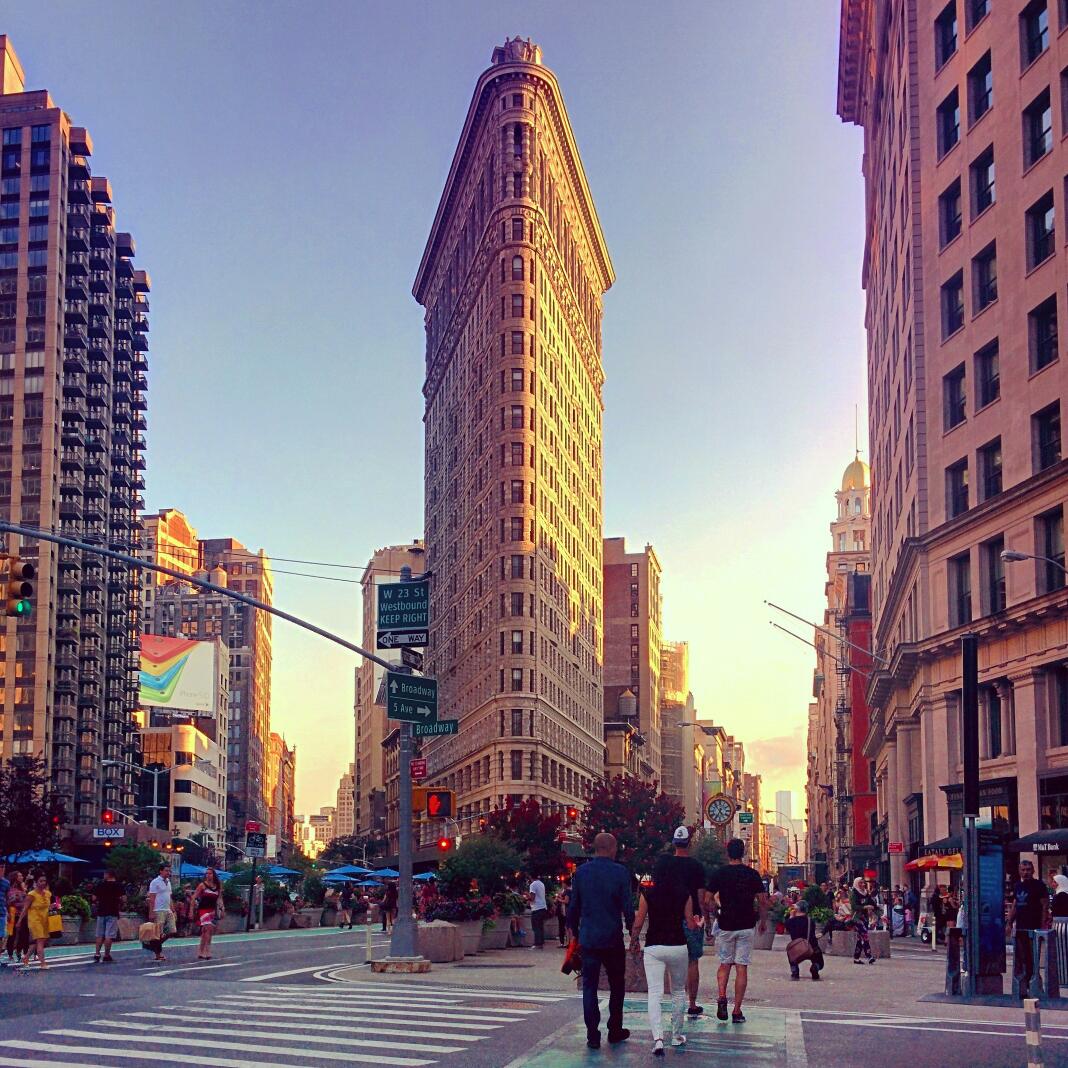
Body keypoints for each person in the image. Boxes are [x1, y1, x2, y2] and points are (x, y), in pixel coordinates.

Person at [566, 831, 634, 1050]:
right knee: (617, 985)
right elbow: (628, 907)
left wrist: (573, 933)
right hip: (612, 938)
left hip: (589, 939)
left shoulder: (581, 873)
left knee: (589, 987)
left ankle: (592, 1035)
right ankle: (615, 1029)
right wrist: (634, 933)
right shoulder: (620, 873)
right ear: (611, 848)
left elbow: (573, 906)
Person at [630, 863, 693, 1055]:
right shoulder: (684, 894)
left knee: (655, 993)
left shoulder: (647, 894)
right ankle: (676, 1035)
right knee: (678, 991)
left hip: (654, 947)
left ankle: (658, 1039)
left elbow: (638, 922)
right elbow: (690, 923)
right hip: (678, 946)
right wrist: (697, 924)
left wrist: (634, 941)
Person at [706, 838, 768, 1024]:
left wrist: (715, 914)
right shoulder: (752, 874)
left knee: (725, 964)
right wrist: (763, 921)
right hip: (746, 924)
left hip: (726, 924)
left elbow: (708, 899)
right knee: (742, 967)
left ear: (727, 853)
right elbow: (763, 900)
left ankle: (722, 996)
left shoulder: (720, 874)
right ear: (743, 852)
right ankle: (737, 1010)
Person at [653, 826, 707, 1018]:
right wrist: (704, 919)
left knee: (672, 962)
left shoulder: (665, 866)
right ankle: (692, 1004)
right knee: (692, 962)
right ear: (689, 843)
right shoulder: (697, 866)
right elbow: (701, 897)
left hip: (670, 918)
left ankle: (676, 1003)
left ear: (674, 843)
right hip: (693, 918)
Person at [1008, 859, 1050, 998]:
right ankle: (1024, 985)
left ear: (1033, 871)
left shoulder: (1039, 885)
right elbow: (1015, 905)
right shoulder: (1017, 886)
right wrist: (1009, 923)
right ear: (1019, 871)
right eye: (1023, 870)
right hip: (1020, 928)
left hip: (1034, 927)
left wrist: (1043, 925)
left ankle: (1035, 985)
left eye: (1028, 870)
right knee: (1022, 958)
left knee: (1033, 958)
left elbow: (1044, 905)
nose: (1025, 872)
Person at [17, 873, 51, 969]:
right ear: (36, 882)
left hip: (45, 920)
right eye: (41, 881)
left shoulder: (48, 893)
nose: (43, 883)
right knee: (40, 941)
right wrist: (19, 921)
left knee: (39, 942)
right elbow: (25, 909)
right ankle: (43, 963)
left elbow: (47, 906)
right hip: (34, 920)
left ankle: (26, 957)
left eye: (44, 881)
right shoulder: (31, 894)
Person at [785, 900, 823, 981]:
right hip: (811, 947)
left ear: (797, 909)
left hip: (797, 949)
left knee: (790, 952)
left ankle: (794, 970)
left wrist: (791, 916)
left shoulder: (791, 921)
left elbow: (787, 928)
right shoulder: (810, 921)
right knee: (819, 960)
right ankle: (815, 967)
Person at [92, 870, 123, 963]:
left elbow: (93, 898)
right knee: (109, 934)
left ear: (107, 875)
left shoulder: (100, 885)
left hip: (101, 911)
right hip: (113, 911)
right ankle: (106, 955)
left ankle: (97, 954)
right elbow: (124, 898)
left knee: (99, 934)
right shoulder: (118, 885)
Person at [192, 867, 224, 960]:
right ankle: (207, 950)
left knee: (205, 931)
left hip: (211, 910)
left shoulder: (217, 886)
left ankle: (200, 951)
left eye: (210, 873)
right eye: (207, 873)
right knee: (208, 928)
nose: (208, 875)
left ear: (214, 875)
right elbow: (194, 897)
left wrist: (222, 909)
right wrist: (191, 909)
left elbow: (220, 898)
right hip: (203, 910)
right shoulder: (202, 885)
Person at [147, 862, 176, 961]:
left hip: (167, 909)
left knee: (172, 930)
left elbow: (169, 896)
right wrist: (151, 912)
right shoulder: (155, 882)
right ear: (161, 871)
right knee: (158, 933)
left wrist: (173, 909)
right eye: (166, 870)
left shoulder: (168, 882)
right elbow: (152, 898)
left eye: (169, 871)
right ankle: (158, 953)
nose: (168, 872)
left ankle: (155, 945)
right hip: (158, 910)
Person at [849, 878, 877, 965]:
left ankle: (856, 958)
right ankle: (869, 956)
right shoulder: (854, 893)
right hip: (856, 918)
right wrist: (865, 907)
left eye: (863, 883)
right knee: (864, 934)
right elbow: (854, 906)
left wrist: (875, 907)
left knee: (860, 938)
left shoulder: (865, 893)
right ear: (856, 884)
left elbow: (871, 902)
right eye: (860, 883)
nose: (863, 884)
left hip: (864, 917)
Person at [1049, 872, 1068, 986]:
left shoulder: (1060, 896)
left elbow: (1055, 911)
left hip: (1061, 926)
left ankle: (1063, 980)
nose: (1053, 884)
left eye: (1055, 882)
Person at [6, 872, 27, 963]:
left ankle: (19, 951)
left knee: (24, 934)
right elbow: (8, 901)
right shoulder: (10, 889)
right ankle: (10, 954)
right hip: (13, 914)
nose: (22, 877)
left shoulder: (22, 889)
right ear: (15, 877)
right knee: (12, 934)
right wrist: (16, 897)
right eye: (20, 875)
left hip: (23, 914)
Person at [528, 874, 548, 949]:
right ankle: (541, 942)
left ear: (530, 876)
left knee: (536, 926)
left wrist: (527, 898)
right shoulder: (541, 884)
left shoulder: (533, 885)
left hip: (536, 907)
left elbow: (532, 897)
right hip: (543, 907)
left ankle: (537, 943)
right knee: (540, 926)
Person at [0, 863, 8, 969]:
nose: (2, 869)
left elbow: (7, 898)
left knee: (1, 936)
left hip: (1, 912)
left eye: (3, 867)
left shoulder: (6, 883)